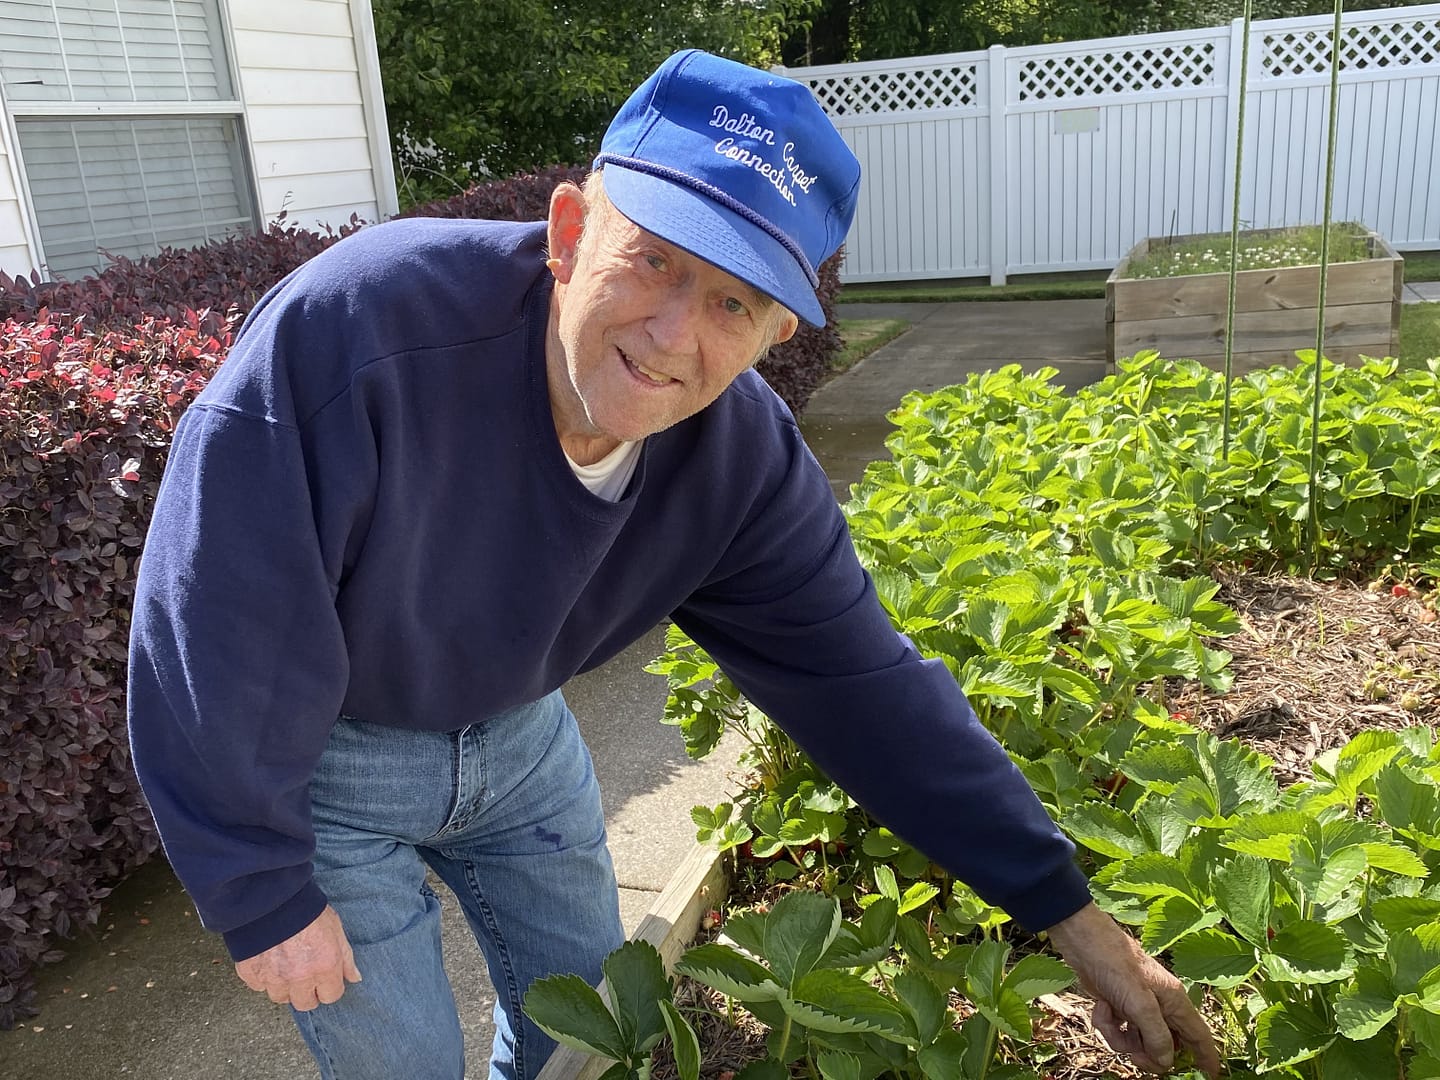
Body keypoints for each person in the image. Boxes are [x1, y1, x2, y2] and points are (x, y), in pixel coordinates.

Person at [128, 49, 1220, 1080]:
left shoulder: (738, 463)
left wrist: (1069, 910)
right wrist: (261, 890)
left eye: (732, 302)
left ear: (776, 332)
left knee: (609, 1023)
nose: (670, 334)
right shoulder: (359, 330)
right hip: (327, 758)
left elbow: (869, 690)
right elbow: (215, 618)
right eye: (653, 259)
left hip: (518, 738)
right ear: (569, 231)